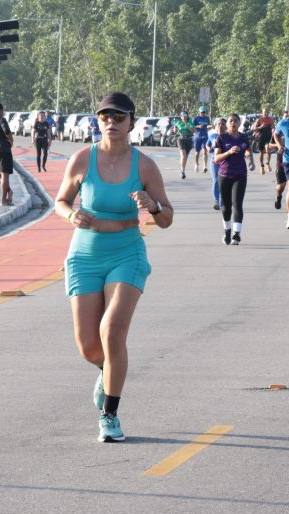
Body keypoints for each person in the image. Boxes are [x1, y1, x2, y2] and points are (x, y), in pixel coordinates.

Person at [54, 92, 173, 443]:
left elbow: (166, 218)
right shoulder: (81, 159)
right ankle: (107, 372)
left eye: (119, 117)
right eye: (105, 116)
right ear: (98, 120)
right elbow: (60, 201)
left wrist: (151, 206)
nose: (112, 122)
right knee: (89, 346)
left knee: (112, 330)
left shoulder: (144, 165)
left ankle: (110, 414)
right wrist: (71, 213)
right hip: (85, 255)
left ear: (131, 122)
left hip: (127, 253)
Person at [213, 113, 255, 245]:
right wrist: (229, 152)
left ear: (239, 123)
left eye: (236, 121)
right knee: (226, 207)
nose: (233, 123)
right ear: (227, 124)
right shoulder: (222, 137)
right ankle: (227, 231)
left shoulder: (243, 137)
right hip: (225, 175)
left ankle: (236, 234)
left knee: (237, 204)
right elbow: (216, 159)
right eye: (231, 121)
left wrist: (250, 160)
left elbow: (248, 150)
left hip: (240, 174)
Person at [206, 117, 227, 210]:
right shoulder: (212, 136)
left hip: (225, 162)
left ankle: (223, 201)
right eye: (219, 124)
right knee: (216, 181)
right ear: (216, 126)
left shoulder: (228, 136)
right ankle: (217, 201)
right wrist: (208, 148)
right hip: (214, 162)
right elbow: (207, 144)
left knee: (224, 182)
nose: (221, 126)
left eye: (223, 124)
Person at [251, 108, 275, 174]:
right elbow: (253, 128)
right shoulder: (259, 119)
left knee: (268, 149)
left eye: (267, 112)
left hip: (268, 137)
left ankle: (267, 164)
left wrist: (273, 129)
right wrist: (260, 127)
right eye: (265, 112)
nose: (266, 113)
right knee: (261, 152)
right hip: (261, 138)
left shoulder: (270, 119)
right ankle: (262, 166)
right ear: (262, 112)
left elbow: (273, 126)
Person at [172, 110, 195, 179]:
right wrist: (175, 128)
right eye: (182, 116)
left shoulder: (190, 122)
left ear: (187, 116)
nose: (184, 117)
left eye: (185, 116)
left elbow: (193, 131)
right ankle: (182, 171)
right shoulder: (178, 122)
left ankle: (182, 169)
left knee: (186, 157)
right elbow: (175, 131)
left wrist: (186, 124)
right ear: (181, 117)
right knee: (183, 156)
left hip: (189, 140)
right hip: (181, 139)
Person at [193, 105, 211, 173]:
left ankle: (205, 166)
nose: (202, 113)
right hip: (197, 136)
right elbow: (192, 127)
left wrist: (210, 126)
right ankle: (196, 164)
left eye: (204, 112)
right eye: (201, 112)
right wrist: (198, 126)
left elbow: (208, 125)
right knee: (197, 152)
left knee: (204, 151)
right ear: (199, 112)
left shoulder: (207, 118)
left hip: (205, 136)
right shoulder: (196, 118)